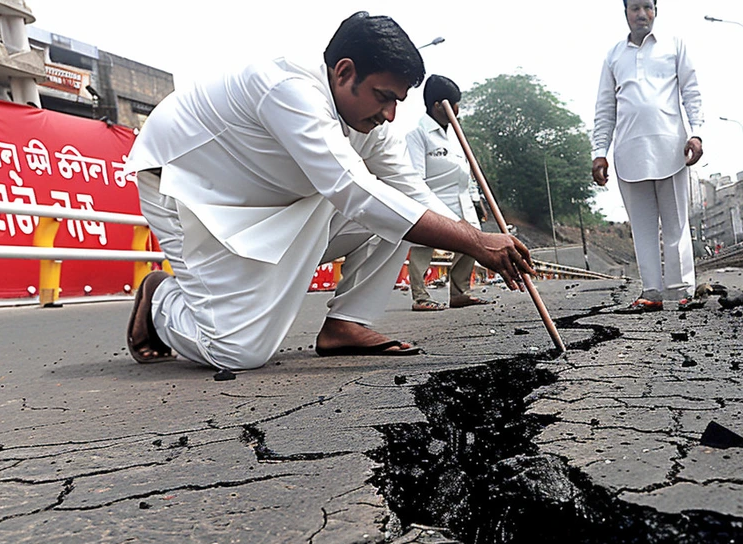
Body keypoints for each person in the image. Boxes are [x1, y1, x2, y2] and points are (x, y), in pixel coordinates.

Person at [124, 12, 532, 370]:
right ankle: (161, 301)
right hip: (187, 193)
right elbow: (351, 191)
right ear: (343, 72)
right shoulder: (288, 87)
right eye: (384, 97)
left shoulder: (375, 126)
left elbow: (412, 193)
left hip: (274, 204)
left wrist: (475, 239)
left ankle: (347, 323)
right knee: (236, 353)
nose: (390, 114)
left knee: (400, 209)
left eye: (398, 102)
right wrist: (476, 241)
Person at [592, 0, 703, 313]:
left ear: (657, 10)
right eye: (635, 8)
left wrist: (696, 133)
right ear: (625, 13)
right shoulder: (614, 55)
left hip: (671, 148)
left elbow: (692, 93)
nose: (642, 14)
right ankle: (651, 291)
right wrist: (599, 152)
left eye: (648, 7)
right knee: (641, 228)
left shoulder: (674, 45)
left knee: (676, 224)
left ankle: (681, 290)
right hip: (628, 151)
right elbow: (604, 108)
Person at [404, 75, 492, 311]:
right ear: (438, 106)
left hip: (463, 199)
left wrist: (476, 200)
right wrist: (423, 206)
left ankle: (460, 292)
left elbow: (466, 169)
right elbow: (416, 176)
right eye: (454, 103)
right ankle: (420, 296)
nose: (457, 109)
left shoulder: (455, 136)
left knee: (472, 241)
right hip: (434, 199)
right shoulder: (418, 134)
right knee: (423, 246)